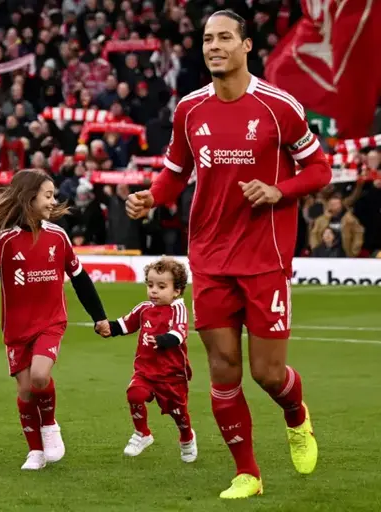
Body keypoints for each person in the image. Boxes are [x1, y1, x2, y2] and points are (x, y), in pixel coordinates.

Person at [126, 10, 331, 499]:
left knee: (267, 372)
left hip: (265, 259)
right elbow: (175, 172)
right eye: (207, 39)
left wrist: (280, 191)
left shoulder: (280, 107)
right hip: (211, 259)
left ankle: (297, 416)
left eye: (224, 38)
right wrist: (153, 196)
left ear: (246, 46)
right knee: (222, 369)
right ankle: (248, 474)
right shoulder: (190, 109)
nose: (213, 46)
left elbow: (320, 169)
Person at [0, 169, 110, 471]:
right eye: (48, 195)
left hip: (51, 321)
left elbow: (80, 280)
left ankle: (50, 426)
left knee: (40, 376)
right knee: (25, 392)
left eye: (53, 195)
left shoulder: (58, 236)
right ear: (29, 198)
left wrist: (99, 317)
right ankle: (35, 452)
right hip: (16, 327)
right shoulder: (3, 239)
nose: (54, 201)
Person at [105, 258, 196, 463]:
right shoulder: (144, 308)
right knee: (134, 395)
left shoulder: (178, 309)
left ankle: (187, 437)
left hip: (171, 374)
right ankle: (142, 433)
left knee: (178, 413)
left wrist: (164, 340)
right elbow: (125, 324)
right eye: (150, 285)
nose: (154, 291)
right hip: (145, 370)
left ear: (177, 291)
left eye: (161, 287)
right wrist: (108, 328)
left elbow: (179, 333)